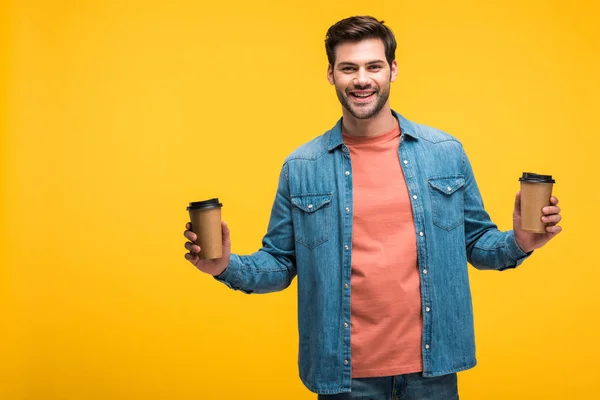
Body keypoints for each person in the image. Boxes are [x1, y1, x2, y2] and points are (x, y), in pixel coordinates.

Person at [183, 15, 562, 399]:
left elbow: (477, 244)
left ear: (392, 70)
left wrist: (520, 242)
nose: (362, 79)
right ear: (331, 74)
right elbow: (280, 263)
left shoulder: (444, 153)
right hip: (345, 378)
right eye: (349, 68)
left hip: (433, 374)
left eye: (373, 66)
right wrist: (224, 267)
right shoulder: (302, 168)